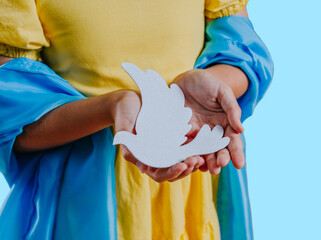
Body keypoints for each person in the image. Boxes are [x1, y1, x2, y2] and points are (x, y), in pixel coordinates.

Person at [0, 0, 272, 239]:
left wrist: (211, 86)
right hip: (84, 199)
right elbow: (12, 112)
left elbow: (242, 51)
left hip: (195, 181)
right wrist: (111, 106)